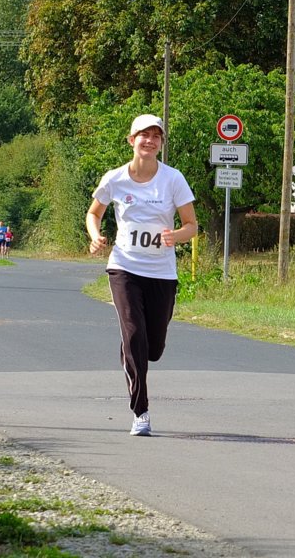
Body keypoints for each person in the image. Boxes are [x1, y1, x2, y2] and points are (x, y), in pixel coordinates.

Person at [85, 114, 197, 437]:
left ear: (161, 143)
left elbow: (192, 224)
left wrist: (177, 235)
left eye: (155, 136)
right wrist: (95, 236)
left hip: (161, 272)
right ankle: (141, 411)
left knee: (153, 347)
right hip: (124, 266)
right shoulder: (115, 179)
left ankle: (133, 350)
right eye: (143, 135)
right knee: (134, 335)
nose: (149, 141)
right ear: (131, 140)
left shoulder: (173, 179)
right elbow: (94, 213)